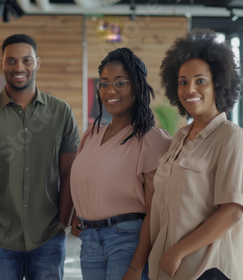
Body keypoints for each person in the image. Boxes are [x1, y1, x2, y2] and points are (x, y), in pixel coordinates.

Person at [0, 33, 80, 280]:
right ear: (2, 64)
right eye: (11, 61)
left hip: (48, 237)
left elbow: (70, 174)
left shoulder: (61, 112)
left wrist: (62, 228)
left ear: (38, 63)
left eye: (26, 60)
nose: (19, 67)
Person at [148, 29, 243, 280]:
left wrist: (177, 252)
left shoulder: (232, 138)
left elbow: (232, 211)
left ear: (218, 83)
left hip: (207, 269)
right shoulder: (179, 138)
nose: (190, 89)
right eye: (183, 82)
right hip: (171, 268)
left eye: (200, 81)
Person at [69, 47, 171, 280]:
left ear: (136, 86)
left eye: (119, 83)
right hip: (90, 240)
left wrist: (136, 267)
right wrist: (79, 210)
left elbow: (155, 211)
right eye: (104, 83)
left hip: (127, 239)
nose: (109, 90)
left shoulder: (150, 138)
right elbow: (88, 177)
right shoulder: (91, 134)